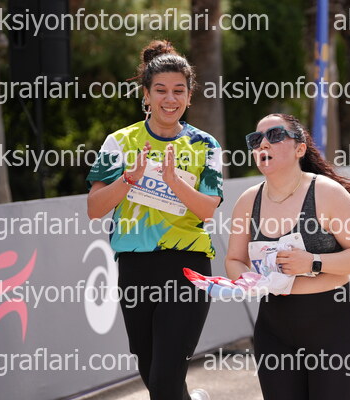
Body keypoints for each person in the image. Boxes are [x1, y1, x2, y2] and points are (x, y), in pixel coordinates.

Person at [86, 40, 223, 400]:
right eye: (160, 90)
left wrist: (175, 181)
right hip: (136, 268)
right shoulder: (119, 142)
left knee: (165, 378)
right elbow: (95, 208)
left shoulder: (205, 145)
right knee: (154, 374)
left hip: (188, 266)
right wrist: (128, 179)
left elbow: (208, 209)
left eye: (179, 90)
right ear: (146, 95)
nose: (170, 98)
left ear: (189, 97)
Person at [225, 113, 350, 400]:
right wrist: (248, 281)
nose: (263, 144)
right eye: (256, 140)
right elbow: (234, 259)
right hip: (274, 330)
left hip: (334, 329)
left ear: (300, 148)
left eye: (275, 136)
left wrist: (313, 262)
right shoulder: (248, 201)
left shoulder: (326, 193)